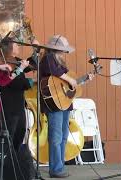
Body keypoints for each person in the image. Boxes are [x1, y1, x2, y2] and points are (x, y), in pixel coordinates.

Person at [40, 35, 94, 178]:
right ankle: (56, 169)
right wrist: (69, 78)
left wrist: (83, 80)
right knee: (56, 137)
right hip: (54, 104)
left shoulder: (60, 62)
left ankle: (59, 166)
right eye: (62, 50)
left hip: (63, 103)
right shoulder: (48, 59)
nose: (64, 52)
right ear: (55, 48)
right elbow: (56, 73)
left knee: (63, 136)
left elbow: (66, 86)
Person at [0, 37, 38, 152]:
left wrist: (35, 50)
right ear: (9, 47)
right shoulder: (3, 62)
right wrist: (32, 82)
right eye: (16, 45)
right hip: (8, 105)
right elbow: (13, 82)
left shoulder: (14, 60)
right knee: (9, 134)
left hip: (19, 104)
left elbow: (31, 65)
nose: (18, 47)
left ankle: (14, 162)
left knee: (20, 133)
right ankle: (6, 163)